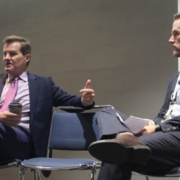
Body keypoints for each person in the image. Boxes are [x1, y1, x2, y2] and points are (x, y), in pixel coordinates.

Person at [88, 12, 180, 180]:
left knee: (116, 152)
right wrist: (150, 123)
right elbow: (162, 115)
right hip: (163, 136)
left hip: (177, 137)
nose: (170, 39)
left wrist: (158, 128)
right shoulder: (174, 79)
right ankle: (124, 136)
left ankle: (123, 141)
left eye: (177, 33)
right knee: (106, 112)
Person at [0, 35, 95, 177]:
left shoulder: (43, 84)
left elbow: (69, 101)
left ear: (27, 58)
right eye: (4, 54)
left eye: (12, 54)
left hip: (23, 141)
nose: (6, 57)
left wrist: (85, 100)